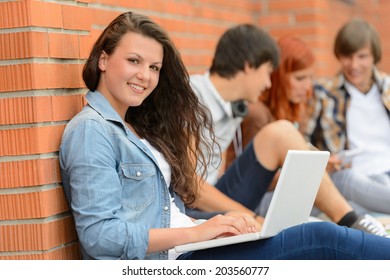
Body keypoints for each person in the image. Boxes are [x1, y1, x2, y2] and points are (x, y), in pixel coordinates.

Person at [59, 11, 390, 260]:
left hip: (194, 241)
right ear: (103, 59)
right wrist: (200, 231)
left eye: (154, 68)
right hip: (178, 257)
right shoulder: (92, 130)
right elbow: (100, 237)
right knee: (321, 238)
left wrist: (215, 228)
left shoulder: (133, 126)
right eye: (134, 61)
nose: (144, 76)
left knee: (314, 235)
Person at [186, 25, 388, 237]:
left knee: (284, 136)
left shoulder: (233, 105)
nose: (267, 83)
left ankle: (354, 224)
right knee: (283, 135)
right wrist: (253, 219)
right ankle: (355, 226)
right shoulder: (192, 97)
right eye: (266, 73)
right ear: (248, 66)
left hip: (219, 196)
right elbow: (192, 187)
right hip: (193, 211)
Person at [304, 18, 390, 216]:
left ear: (374, 56)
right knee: (349, 190)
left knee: (363, 211)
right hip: (352, 178)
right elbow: (303, 141)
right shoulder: (323, 92)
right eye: (347, 56)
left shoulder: (387, 88)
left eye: (362, 56)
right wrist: (324, 160)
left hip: (386, 176)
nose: (354, 65)